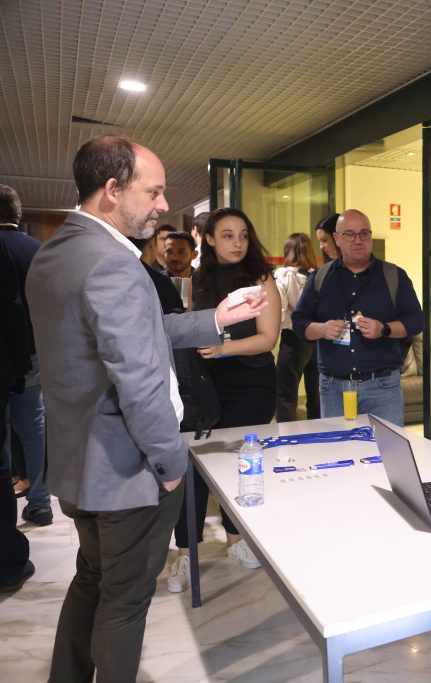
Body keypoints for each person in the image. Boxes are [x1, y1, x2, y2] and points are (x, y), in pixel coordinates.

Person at [25, 135, 267, 682]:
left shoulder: (56, 251)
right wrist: (170, 463)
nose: (164, 205)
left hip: (79, 461)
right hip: (126, 470)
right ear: (113, 189)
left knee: (92, 579)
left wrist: (215, 319)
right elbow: (139, 380)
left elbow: (132, 332)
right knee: (126, 600)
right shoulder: (113, 263)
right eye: (154, 192)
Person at [167, 207, 281, 593]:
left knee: (237, 462)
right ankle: (186, 552)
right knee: (193, 465)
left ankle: (236, 538)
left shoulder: (261, 279)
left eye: (243, 235)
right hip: (205, 383)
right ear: (210, 239)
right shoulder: (198, 279)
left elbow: (268, 338)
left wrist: (223, 348)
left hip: (252, 384)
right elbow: (188, 328)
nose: (237, 242)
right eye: (228, 235)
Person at [292, 209, 423, 425]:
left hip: (382, 387)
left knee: (385, 446)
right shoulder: (320, 277)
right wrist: (322, 329)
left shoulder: (393, 276)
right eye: (350, 234)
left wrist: (384, 329)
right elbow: (299, 321)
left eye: (364, 233)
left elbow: (416, 321)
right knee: (339, 445)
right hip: (333, 389)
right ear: (337, 238)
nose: (358, 240)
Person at [0, 184, 51, 526]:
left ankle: (5, 507)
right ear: (17, 213)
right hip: (33, 354)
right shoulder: (39, 251)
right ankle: (41, 502)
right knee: (34, 429)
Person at [0, 236, 34, 592]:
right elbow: (11, 308)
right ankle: (8, 563)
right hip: (10, 363)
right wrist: (21, 365)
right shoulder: (31, 247)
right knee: (31, 430)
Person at [275, 232, 320, 422]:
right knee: (316, 394)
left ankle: (287, 435)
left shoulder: (284, 275)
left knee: (285, 394)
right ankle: (320, 434)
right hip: (318, 337)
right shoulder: (317, 276)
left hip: (293, 339)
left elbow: (280, 309)